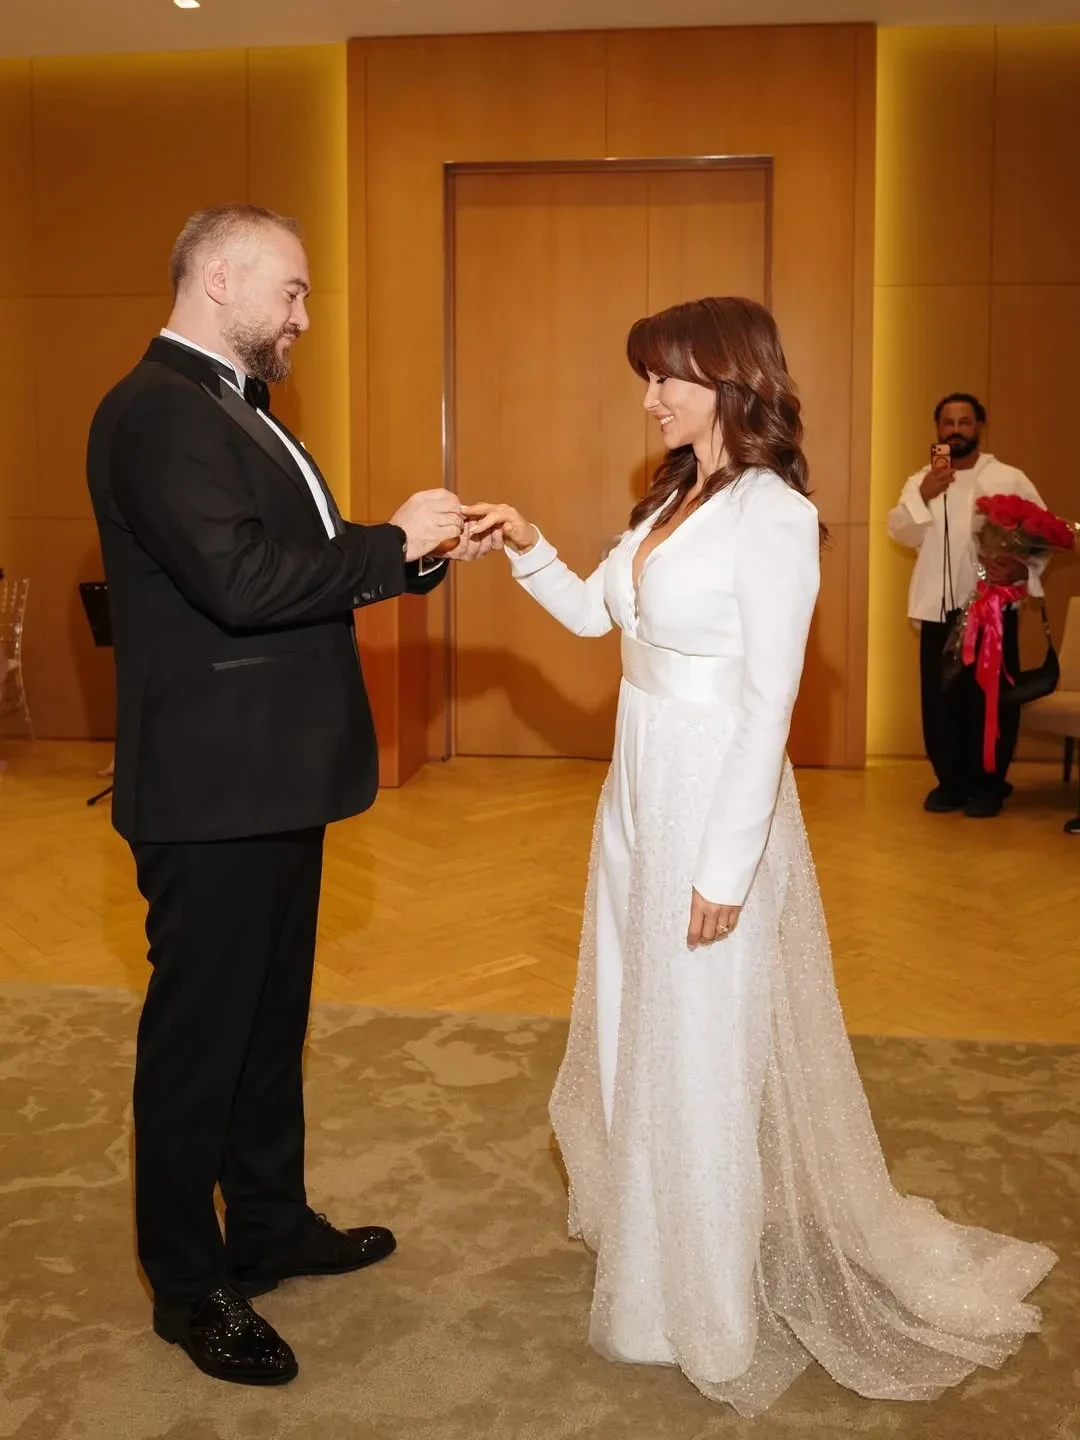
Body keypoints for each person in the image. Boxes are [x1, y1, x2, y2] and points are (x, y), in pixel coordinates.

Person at [465, 300, 1055, 1417]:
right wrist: (528, 544)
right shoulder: (673, 497)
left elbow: (770, 697)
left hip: (710, 794)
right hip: (637, 786)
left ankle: (705, 1302)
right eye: (647, 377)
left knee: (701, 1041)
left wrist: (726, 868)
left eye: (666, 378)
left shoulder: (776, 514)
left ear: (730, 381)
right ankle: (652, 1259)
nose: (649, 398)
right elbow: (596, 617)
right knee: (643, 1022)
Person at [86, 205, 492, 1387]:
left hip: (268, 776)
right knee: (200, 1044)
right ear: (220, 278)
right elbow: (239, 581)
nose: (305, 315)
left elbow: (288, 558)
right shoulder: (156, 411)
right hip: (209, 791)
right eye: (295, 290)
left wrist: (411, 551)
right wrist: (386, 546)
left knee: (268, 1024)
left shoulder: (233, 408)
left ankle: (267, 1223)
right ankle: (188, 1285)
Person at [888, 395, 1046, 817]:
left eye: (965, 422)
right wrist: (923, 496)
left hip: (991, 610)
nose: (955, 430)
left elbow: (1042, 535)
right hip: (938, 610)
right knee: (940, 701)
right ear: (938, 430)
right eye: (948, 423)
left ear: (980, 426)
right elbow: (900, 532)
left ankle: (989, 785)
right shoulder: (921, 481)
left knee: (991, 701)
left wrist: (1019, 569)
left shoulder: (1008, 477)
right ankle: (950, 783)